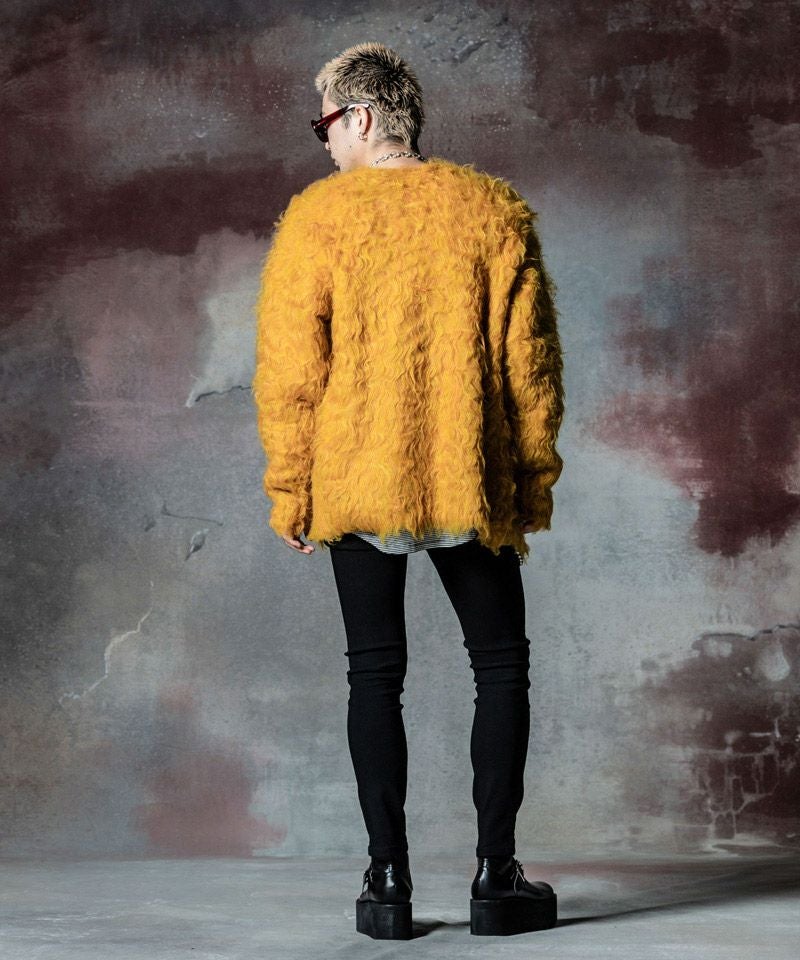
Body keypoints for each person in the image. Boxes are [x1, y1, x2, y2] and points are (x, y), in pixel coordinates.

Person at [251, 42, 564, 939]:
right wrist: (529, 483)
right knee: (499, 667)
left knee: (373, 674)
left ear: (361, 117)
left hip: (357, 481)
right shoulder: (492, 210)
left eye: (324, 122)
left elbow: (290, 375)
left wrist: (291, 490)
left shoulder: (317, 219)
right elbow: (531, 369)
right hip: (468, 479)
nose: (322, 141)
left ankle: (387, 884)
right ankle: (495, 878)